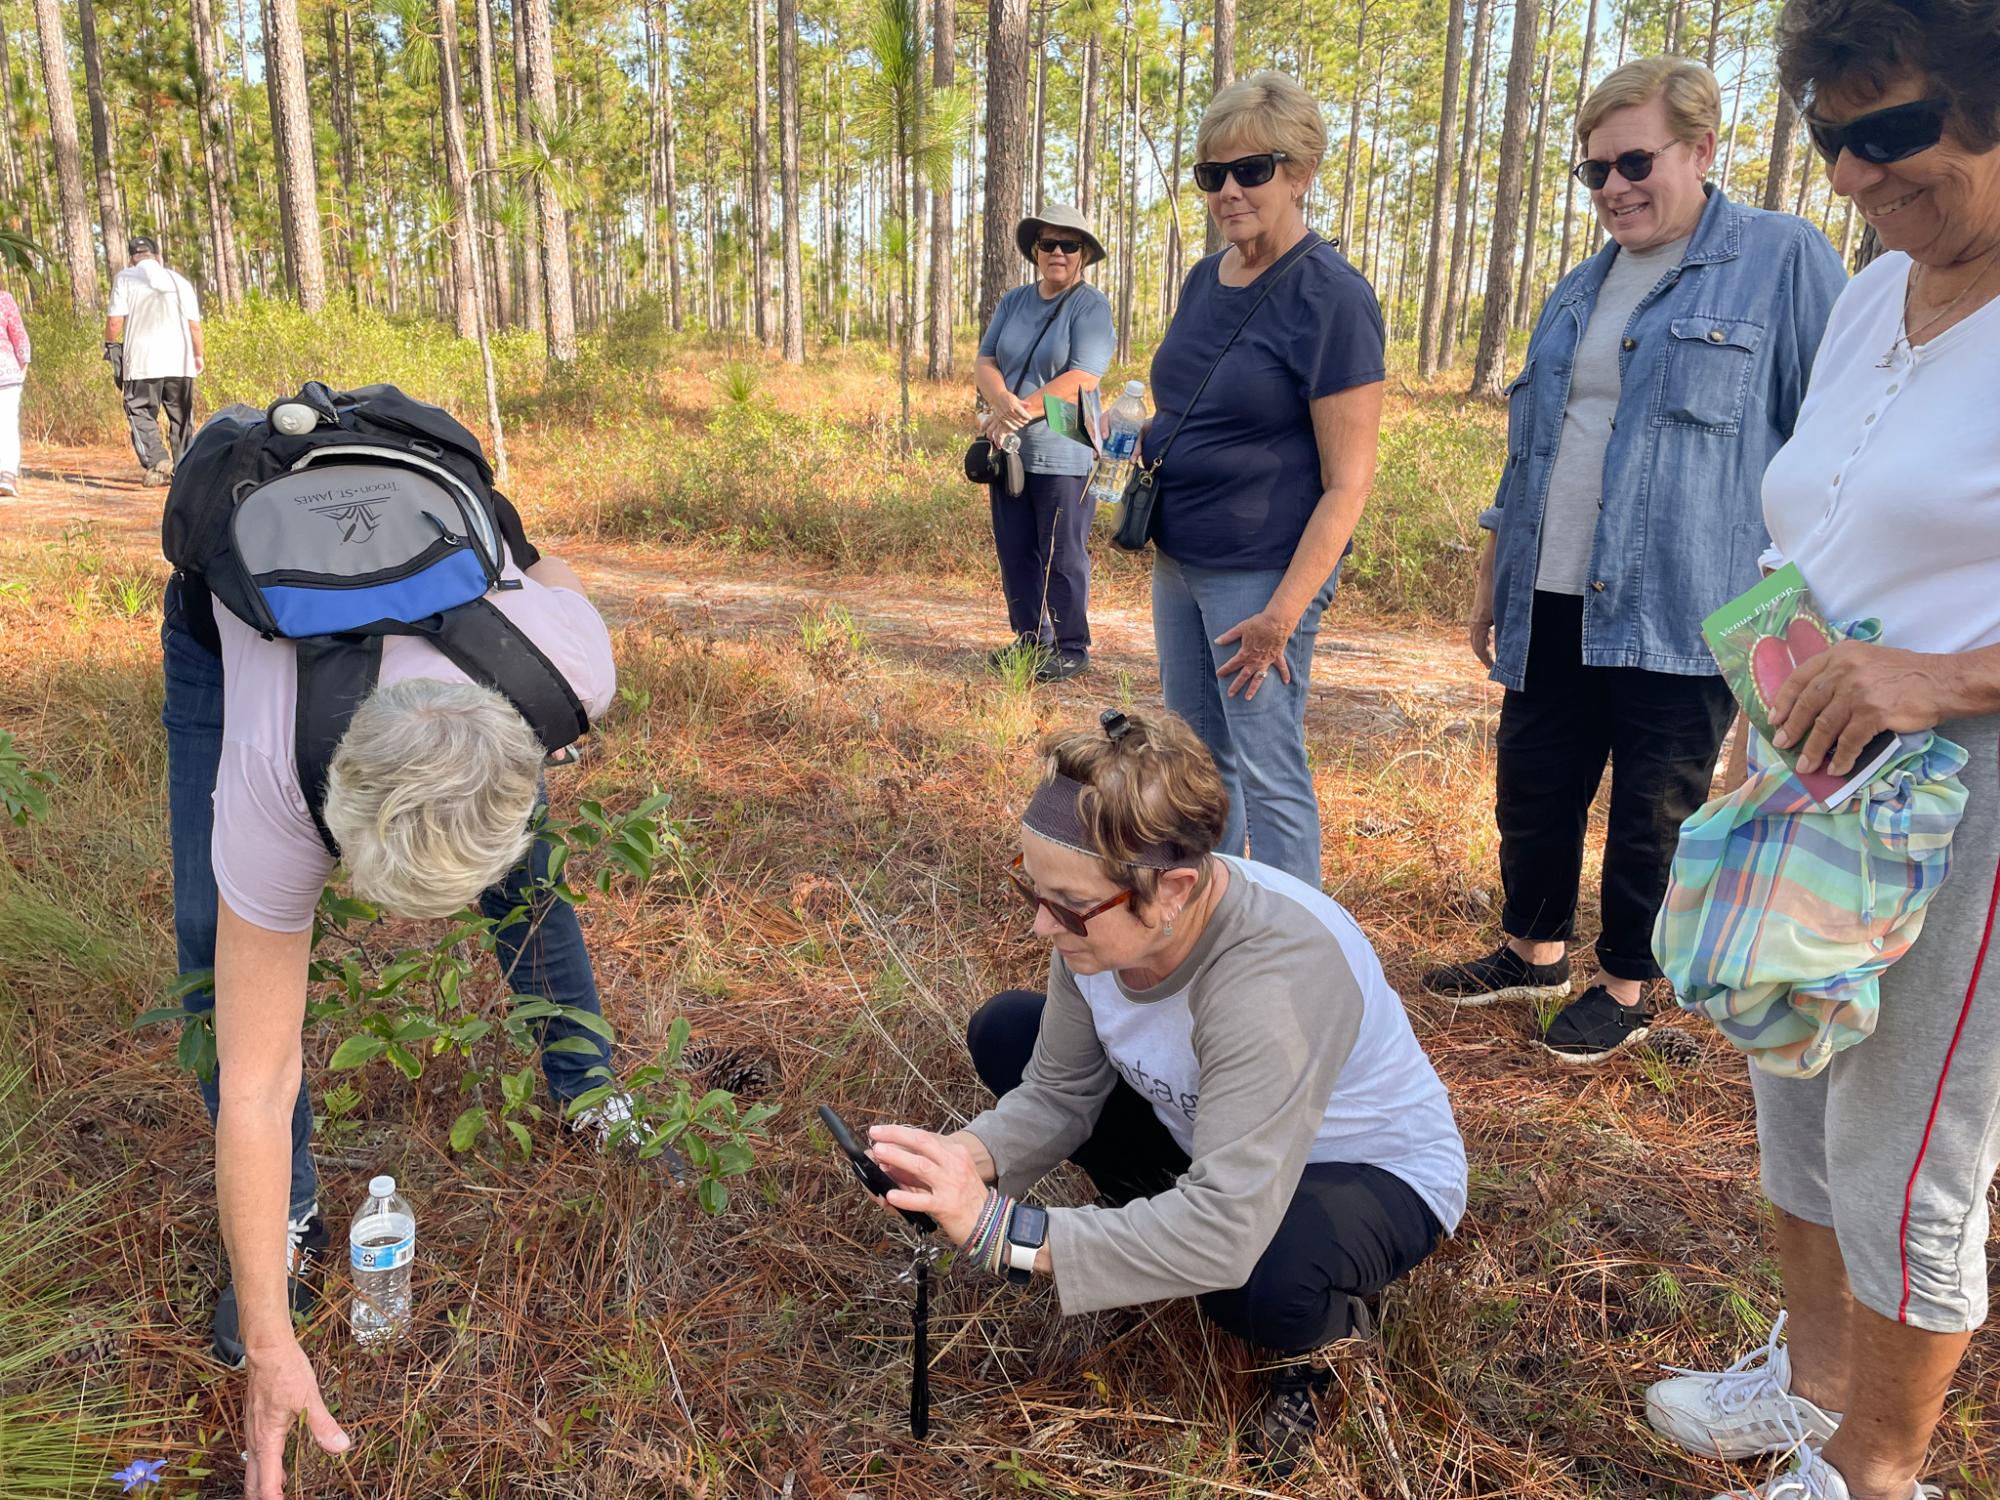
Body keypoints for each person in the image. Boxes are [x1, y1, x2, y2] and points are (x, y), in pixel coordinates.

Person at [1641, 3, 2000, 1497]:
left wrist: (1941, 676)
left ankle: (1876, 1471)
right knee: (1789, 1062)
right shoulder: (1872, 298)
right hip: (1813, 763)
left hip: (1966, 797)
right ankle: (1809, 1382)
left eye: (1895, 128)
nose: (1856, 173)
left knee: (1909, 1138)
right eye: (1832, 138)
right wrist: (1775, 714)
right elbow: (1820, 526)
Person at [162, 424, 625, 1498]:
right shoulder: (275, 784)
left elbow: (538, 562)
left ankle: (591, 1089)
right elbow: (258, 1082)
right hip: (234, 605)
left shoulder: (566, 669)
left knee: (532, 890)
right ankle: (287, 1215)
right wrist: (275, 1344)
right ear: (333, 821)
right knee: (208, 930)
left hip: (450, 609)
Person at [865, 709, 1466, 1481]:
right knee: (1009, 1033)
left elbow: (1223, 1230)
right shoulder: (1103, 925)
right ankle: (1151, 1237)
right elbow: (1058, 1092)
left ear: (1173, 889)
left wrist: (1003, 1233)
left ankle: (1324, 1339)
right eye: (1031, 890)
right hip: (1212, 1134)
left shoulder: (1275, 976)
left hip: (1364, 1170)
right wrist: (964, 1157)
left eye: (1069, 905)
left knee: (1252, 1281)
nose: (1044, 926)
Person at [1423, 57, 1846, 1064]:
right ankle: (1531, 952)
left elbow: (1832, 437)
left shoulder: (1780, 260)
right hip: (1550, 588)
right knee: (1532, 781)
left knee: (1655, 800)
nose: (1612, 186)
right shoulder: (1578, 288)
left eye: (1633, 161)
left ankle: (1626, 981)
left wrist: (1803, 600)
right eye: (1592, 171)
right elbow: (1531, 447)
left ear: (1700, 150)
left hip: (1686, 595)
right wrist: (1493, 573)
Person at [1145, 71, 1386, 888]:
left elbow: (1347, 483)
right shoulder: (1204, 279)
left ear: (1301, 172)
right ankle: (1210, 916)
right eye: (1213, 174)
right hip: (1179, 560)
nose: (1229, 191)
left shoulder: (1333, 298)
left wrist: (1281, 614)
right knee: (1196, 761)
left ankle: (1298, 953)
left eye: (1253, 170)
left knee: (1268, 768)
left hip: (1260, 575)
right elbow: (1190, 402)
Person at [972, 204, 1115, 683]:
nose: (1058, 252)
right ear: (1035, 251)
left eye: (1068, 245)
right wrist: (1000, 402)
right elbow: (986, 358)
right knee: (1016, 547)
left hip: (1064, 441)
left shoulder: (1088, 306)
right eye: (1049, 244)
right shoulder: (1013, 301)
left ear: (1083, 255)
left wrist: (1017, 412)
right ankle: (1031, 639)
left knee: (1061, 551)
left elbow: (1083, 377)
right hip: (1009, 448)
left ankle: (1072, 645)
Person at [106, 234, 204, 486]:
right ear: (158, 257)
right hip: (179, 361)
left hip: (141, 361)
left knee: (140, 412)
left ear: (131, 259)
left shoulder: (125, 278)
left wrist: (110, 344)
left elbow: (115, 320)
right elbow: (194, 325)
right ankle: (185, 467)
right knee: (182, 417)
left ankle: (158, 461)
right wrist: (198, 355)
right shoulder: (180, 281)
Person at [0, 275, 26, 497]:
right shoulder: (5, 299)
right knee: (7, 424)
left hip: (6, 373)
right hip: (7, 371)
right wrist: (23, 364)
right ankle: (7, 474)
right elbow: (19, 336)